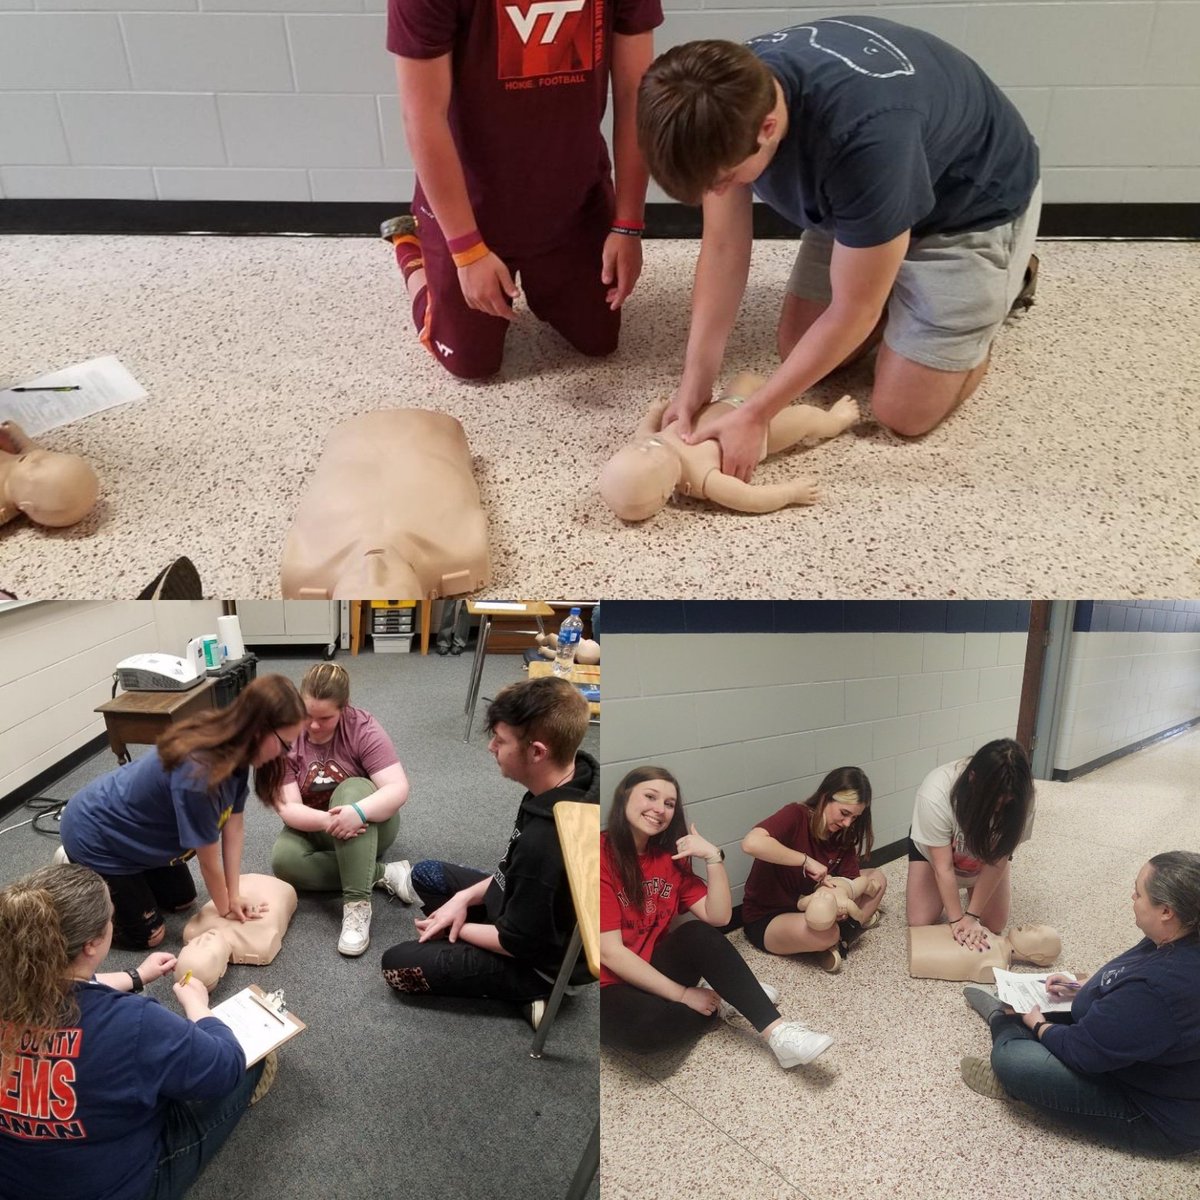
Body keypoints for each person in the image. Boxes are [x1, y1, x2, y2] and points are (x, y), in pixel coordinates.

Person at [635, 18, 1042, 477]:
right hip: (860, 204)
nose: (721, 189)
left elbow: (854, 310)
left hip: (966, 208)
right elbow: (725, 249)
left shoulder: (865, 139)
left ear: (767, 127)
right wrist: (695, 382)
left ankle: (1005, 281)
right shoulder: (720, 98)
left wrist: (754, 415)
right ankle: (886, 272)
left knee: (903, 413)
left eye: (726, 178)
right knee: (799, 350)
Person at [382, 0, 662, 379]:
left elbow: (636, 96)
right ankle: (410, 249)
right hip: (472, 205)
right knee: (470, 364)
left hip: (573, 198)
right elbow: (423, 116)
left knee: (598, 340)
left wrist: (628, 224)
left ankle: (546, 276)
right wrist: (466, 251)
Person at [0, 863, 272, 1200]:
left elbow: (65, 985)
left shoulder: (14, 977)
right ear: (91, 944)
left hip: (17, 1183)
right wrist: (198, 1007)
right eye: (110, 918)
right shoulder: (136, 1023)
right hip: (114, 1188)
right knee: (248, 1057)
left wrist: (136, 976)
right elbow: (224, 1066)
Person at [380, 676, 597, 1028]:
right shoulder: (576, 776)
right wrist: (463, 898)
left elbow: (518, 942)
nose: (491, 747)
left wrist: (459, 924)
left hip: (540, 960)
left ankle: (534, 992)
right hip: (529, 907)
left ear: (537, 752)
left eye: (501, 740)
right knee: (427, 874)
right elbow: (510, 871)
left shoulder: (545, 841)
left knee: (397, 967)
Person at [960, 851, 1200, 1157]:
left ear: (1166, 910)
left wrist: (1037, 1023)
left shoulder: (1159, 989)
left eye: (1138, 893)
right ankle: (1014, 1020)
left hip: (1153, 1110)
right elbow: (1126, 984)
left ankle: (1002, 1026)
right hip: (1137, 1055)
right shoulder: (1178, 936)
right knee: (1054, 1006)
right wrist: (1080, 986)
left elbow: (1083, 1052)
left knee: (1015, 1062)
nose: (1132, 896)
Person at [599, 766, 833, 1067]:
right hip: (607, 984)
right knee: (649, 1032)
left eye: (669, 804)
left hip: (652, 966)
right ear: (624, 796)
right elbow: (609, 952)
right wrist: (683, 994)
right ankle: (725, 998)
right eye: (650, 796)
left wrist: (713, 858)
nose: (660, 809)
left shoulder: (668, 857)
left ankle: (778, 1033)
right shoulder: (599, 855)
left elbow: (719, 917)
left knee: (697, 933)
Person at [59, 675, 306, 950]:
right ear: (260, 728)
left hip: (137, 832)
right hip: (95, 834)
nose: (286, 753)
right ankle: (78, 874)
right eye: (285, 744)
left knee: (183, 899)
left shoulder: (235, 752)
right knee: (150, 935)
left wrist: (233, 894)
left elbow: (233, 827)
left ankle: (129, 879)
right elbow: (209, 863)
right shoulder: (200, 775)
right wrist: (225, 909)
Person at [268, 663, 411, 957]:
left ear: (344, 708)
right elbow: (289, 808)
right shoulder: (285, 736)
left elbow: (397, 788)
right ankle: (382, 873)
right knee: (284, 861)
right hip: (318, 823)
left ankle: (357, 905)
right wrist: (329, 821)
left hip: (369, 824)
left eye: (326, 718)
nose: (314, 725)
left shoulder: (362, 727)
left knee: (351, 790)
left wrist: (356, 812)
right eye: (307, 715)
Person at [741, 766, 885, 974]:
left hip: (819, 907)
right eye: (844, 813)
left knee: (877, 878)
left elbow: (850, 880)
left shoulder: (842, 833)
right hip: (770, 917)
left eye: (854, 818)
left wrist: (840, 902)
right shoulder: (796, 815)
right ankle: (836, 939)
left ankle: (833, 940)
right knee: (827, 934)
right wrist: (805, 861)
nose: (847, 823)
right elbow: (751, 843)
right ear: (826, 798)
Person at [905, 738, 1035, 950]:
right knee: (919, 922)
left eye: (1006, 802)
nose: (998, 808)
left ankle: (974, 888)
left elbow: (997, 861)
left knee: (994, 924)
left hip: (986, 857)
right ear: (973, 779)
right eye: (994, 800)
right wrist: (957, 921)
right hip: (938, 855)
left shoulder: (1024, 799)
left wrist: (972, 915)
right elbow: (943, 867)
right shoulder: (936, 792)